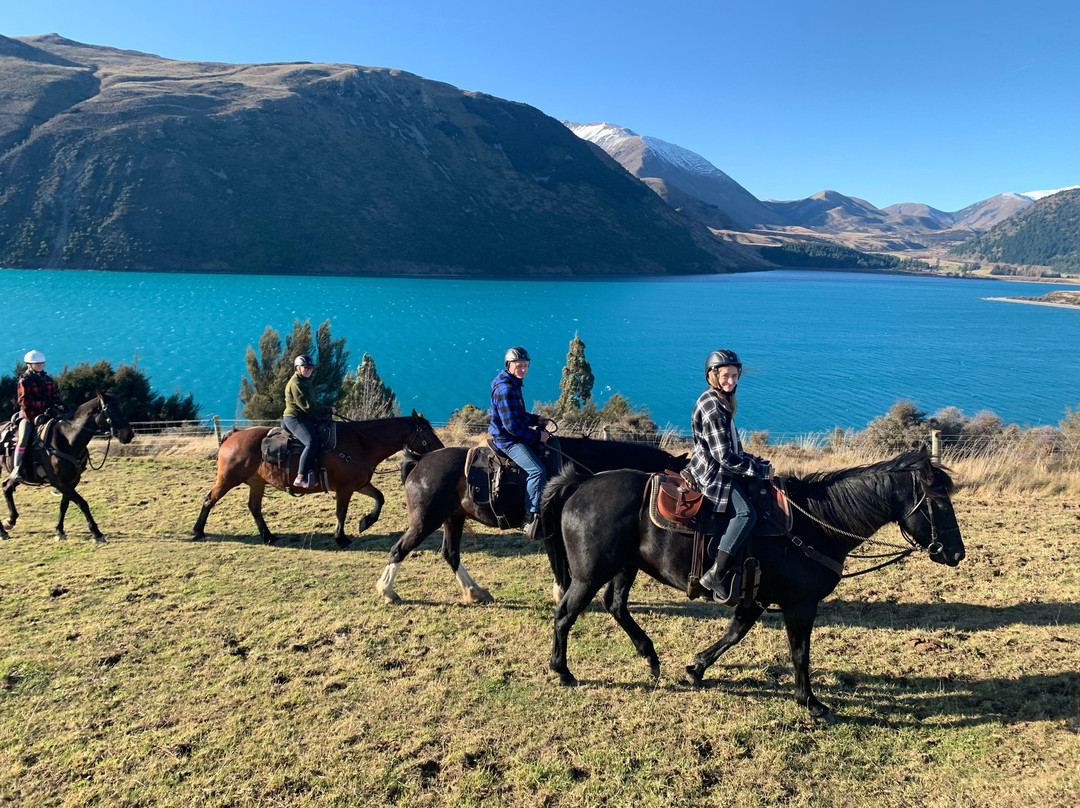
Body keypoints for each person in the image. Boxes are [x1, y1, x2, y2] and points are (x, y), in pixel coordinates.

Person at [687, 349, 774, 605]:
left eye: (735, 376)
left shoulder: (719, 400)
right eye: (726, 376)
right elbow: (724, 457)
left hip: (719, 467)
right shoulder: (714, 408)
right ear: (712, 376)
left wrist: (756, 461)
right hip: (713, 475)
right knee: (747, 513)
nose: (732, 381)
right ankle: (717, 573)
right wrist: (758, 471)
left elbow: (733, 448)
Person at [489, 346, 550, 539]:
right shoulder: (506, 389)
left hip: (512, 434)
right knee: (537, 470)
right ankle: (529, 517)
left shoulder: (512, 383)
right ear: (509, 365)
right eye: (518, 365)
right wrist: (537, 436)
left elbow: (518, 415)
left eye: (525, 365)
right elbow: (513, 427)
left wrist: (535, 420)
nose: (522, 369)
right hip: (507, 440)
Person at [9, 350, 67, 483]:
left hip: (47, 415)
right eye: (37, 363)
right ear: (29, 364)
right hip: (29, 417)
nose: (40, 365)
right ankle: (16, 469)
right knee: (23, 439)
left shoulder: (48, 380)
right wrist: (45, 404)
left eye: (42, 363)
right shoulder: (24, 380)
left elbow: (54, 397)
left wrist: (60, 404)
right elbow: (24, 402)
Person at [282, 354, 335, 489]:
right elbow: (308, 407)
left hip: (305, 417)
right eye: (306, 368)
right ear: (298, 368)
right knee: (311, 442)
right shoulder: (296, 384)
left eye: (310, 368)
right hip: (295, 418)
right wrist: (327, 410)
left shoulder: (306, 382)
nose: (308, 370)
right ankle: (300, 477)